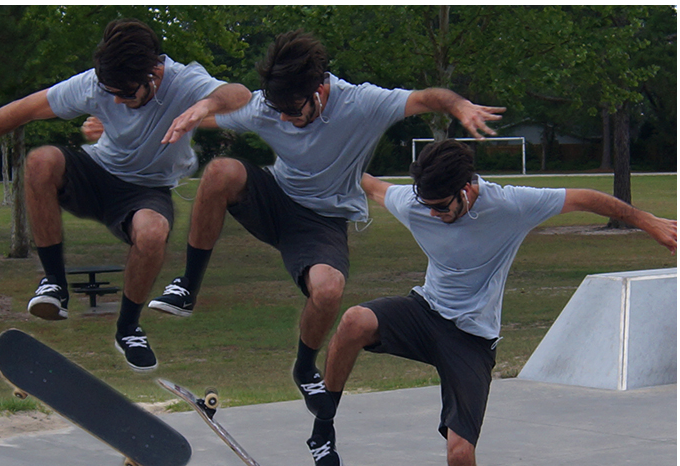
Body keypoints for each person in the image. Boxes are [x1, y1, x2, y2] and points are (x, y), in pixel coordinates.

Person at [312, 138, 677, 466]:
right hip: (426, 312)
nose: (436, 215)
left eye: (445, 207)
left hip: (471, 340)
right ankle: (322, 428)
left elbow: (586, 199)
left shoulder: (511, 203)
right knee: (355, 320)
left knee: (461, 453)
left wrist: (650, 223)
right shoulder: (417, 202)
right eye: (429, 207)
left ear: (469, 189)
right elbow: (373, 185)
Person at [147, 30, 503, 418]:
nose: (284, 118)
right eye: (278, 110)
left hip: (320, 221)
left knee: (329, 290)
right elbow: (221, 110)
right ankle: (187, 286)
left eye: (293, 110)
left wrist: (459, 106)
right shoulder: (271, 105)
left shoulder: (362, 103)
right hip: (274, 198)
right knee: (220, 172)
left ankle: (304, 367)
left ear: (318, 90)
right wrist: (188, 115)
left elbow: (425, 98)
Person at [0, 18, 250, 372]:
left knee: (153, 233)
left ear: (154, 73)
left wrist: (204, 107)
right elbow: (24, 109)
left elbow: (239, 94)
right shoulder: (95, 84)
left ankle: (128, 328)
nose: (116, 100)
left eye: (127, 93)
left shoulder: (183, 81)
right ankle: (54, 284)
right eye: (110, 92)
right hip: (96, 172)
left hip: (146, 188)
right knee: (40, 161)